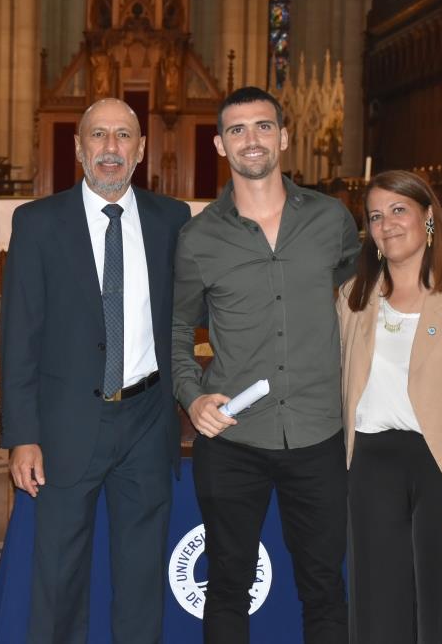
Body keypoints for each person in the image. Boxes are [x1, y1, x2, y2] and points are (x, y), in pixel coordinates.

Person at [171, 86, 360, 643]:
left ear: (283, 135)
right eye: (237, 130)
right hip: (234, 438)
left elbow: (365, 299)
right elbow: (177, 330)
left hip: (318, 432)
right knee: (227, 584)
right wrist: (192, 394)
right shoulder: (198, 238)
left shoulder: (331, 220)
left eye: (261, 126)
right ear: (220, 145)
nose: (251, 139)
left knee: (324, 585)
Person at [1, 97, 191, 644]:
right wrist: (23, 437)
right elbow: (20, 338)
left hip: (148, 419)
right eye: (99, 136)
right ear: (79, 146)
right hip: (65, 424)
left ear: (141, 150)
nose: (111, 148)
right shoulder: (37, 223)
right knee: (58, 576)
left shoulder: (172, 220)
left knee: (140, 577)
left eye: (123, 136)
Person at [337, 170, 442, 643]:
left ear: (427, 217)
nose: (387, 224)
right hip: (371, 464)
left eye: (399, 210)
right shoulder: (354, 297)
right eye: (376, 216)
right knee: (377, 609)